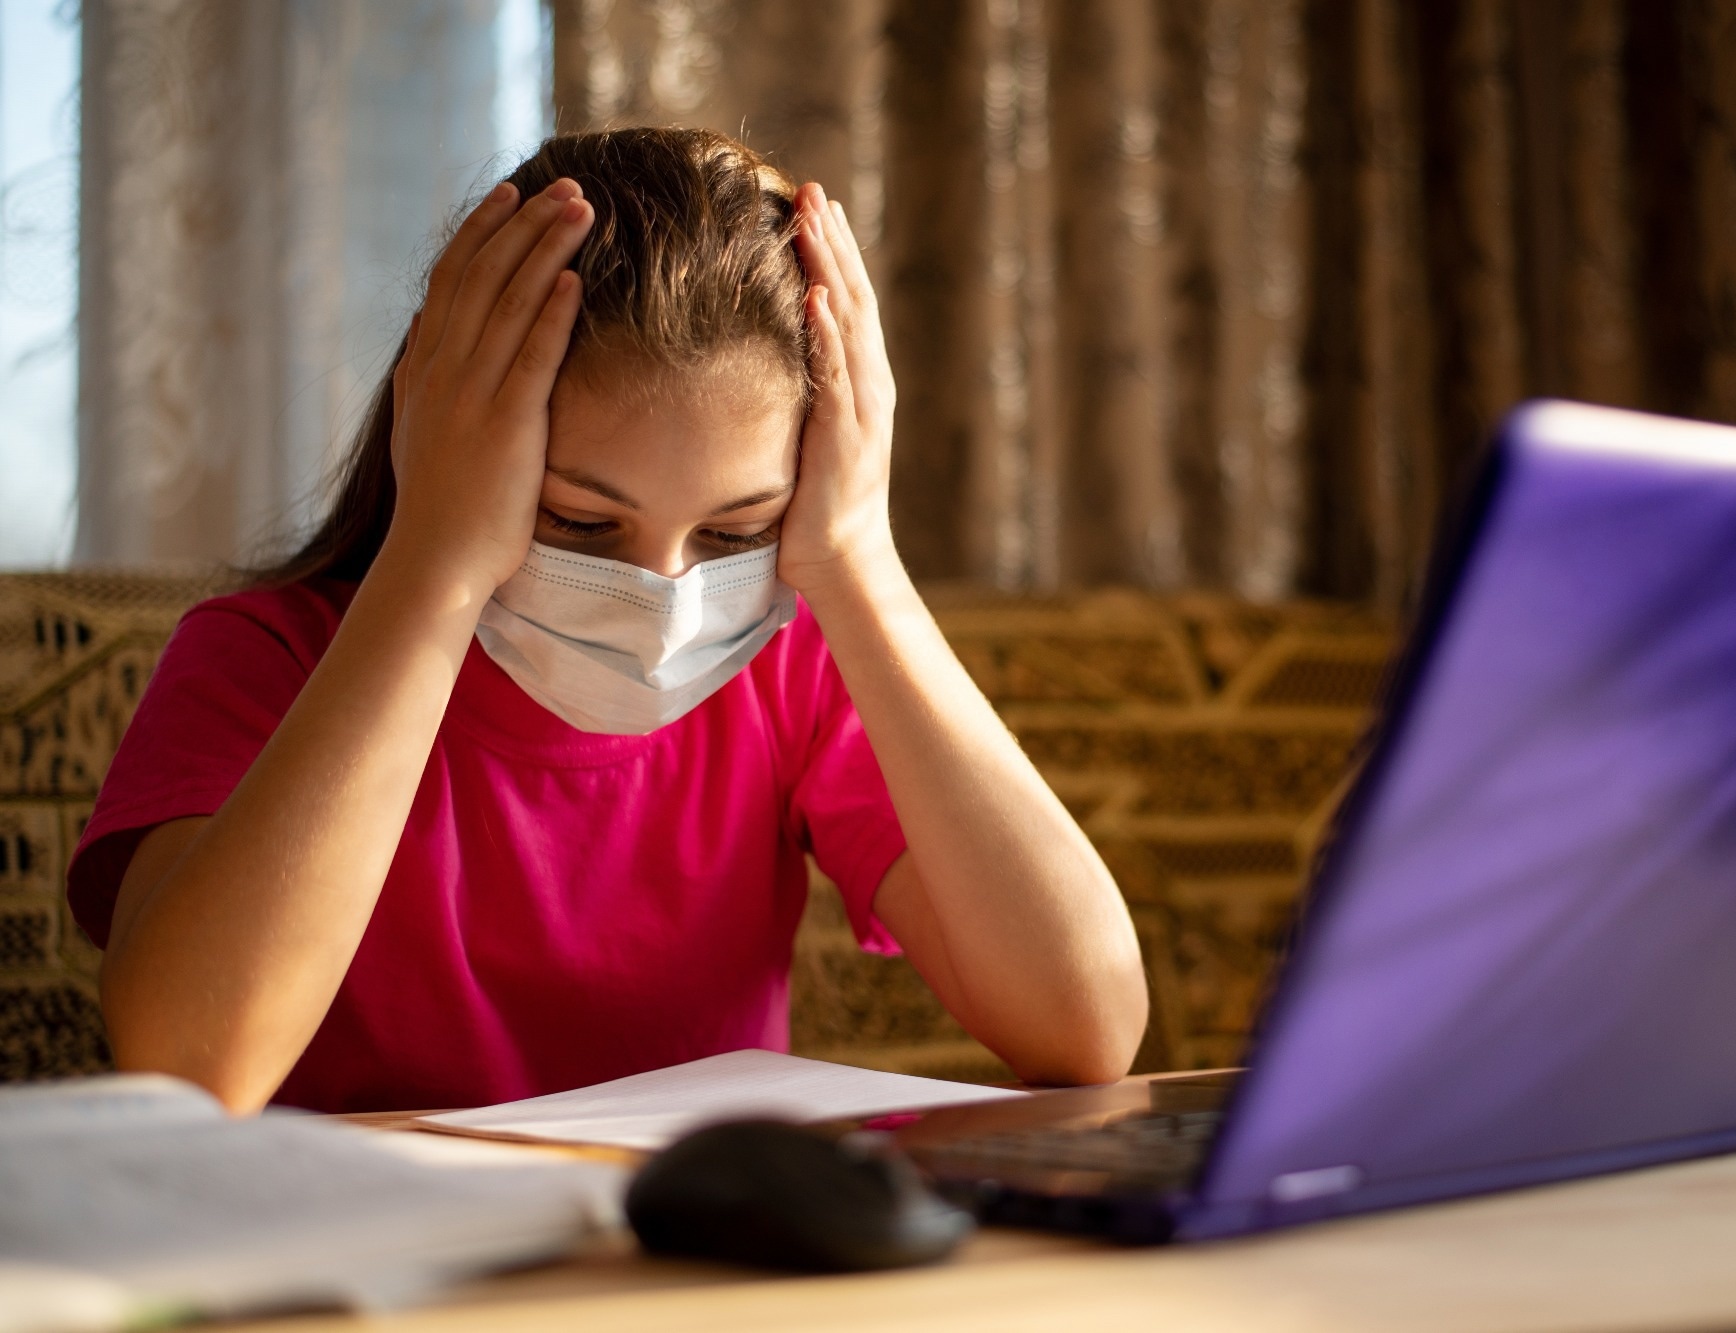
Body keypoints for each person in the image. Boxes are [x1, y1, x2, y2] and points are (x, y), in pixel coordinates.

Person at [66, 127, 1148, 1114]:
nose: (663, 596)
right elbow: (186, 1070)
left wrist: (860, 557)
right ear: (448, 440)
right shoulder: (262, 657)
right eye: (581, 522)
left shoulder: (791, 673)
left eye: (734, 533)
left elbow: (1086, 1023)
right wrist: (436, 565)